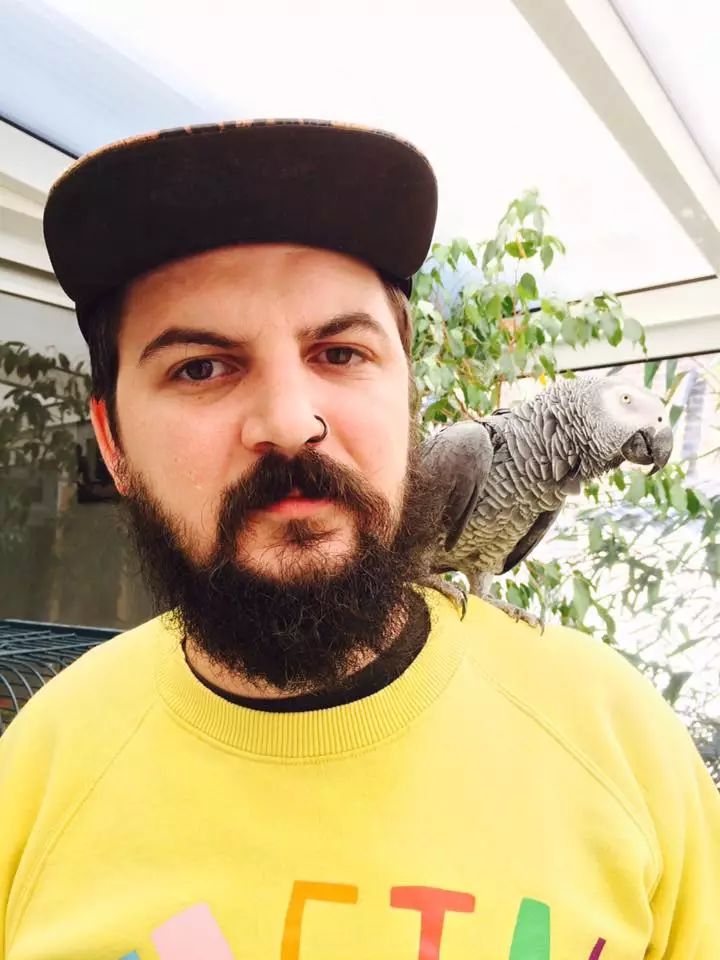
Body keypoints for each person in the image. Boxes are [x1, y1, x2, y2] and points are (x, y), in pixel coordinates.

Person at [0, 120, 718, 960]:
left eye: (341, 353)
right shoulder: (36, 773)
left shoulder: (627, 744)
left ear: (408, 395)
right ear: (112, 442)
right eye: (200, 367)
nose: (291, 421)